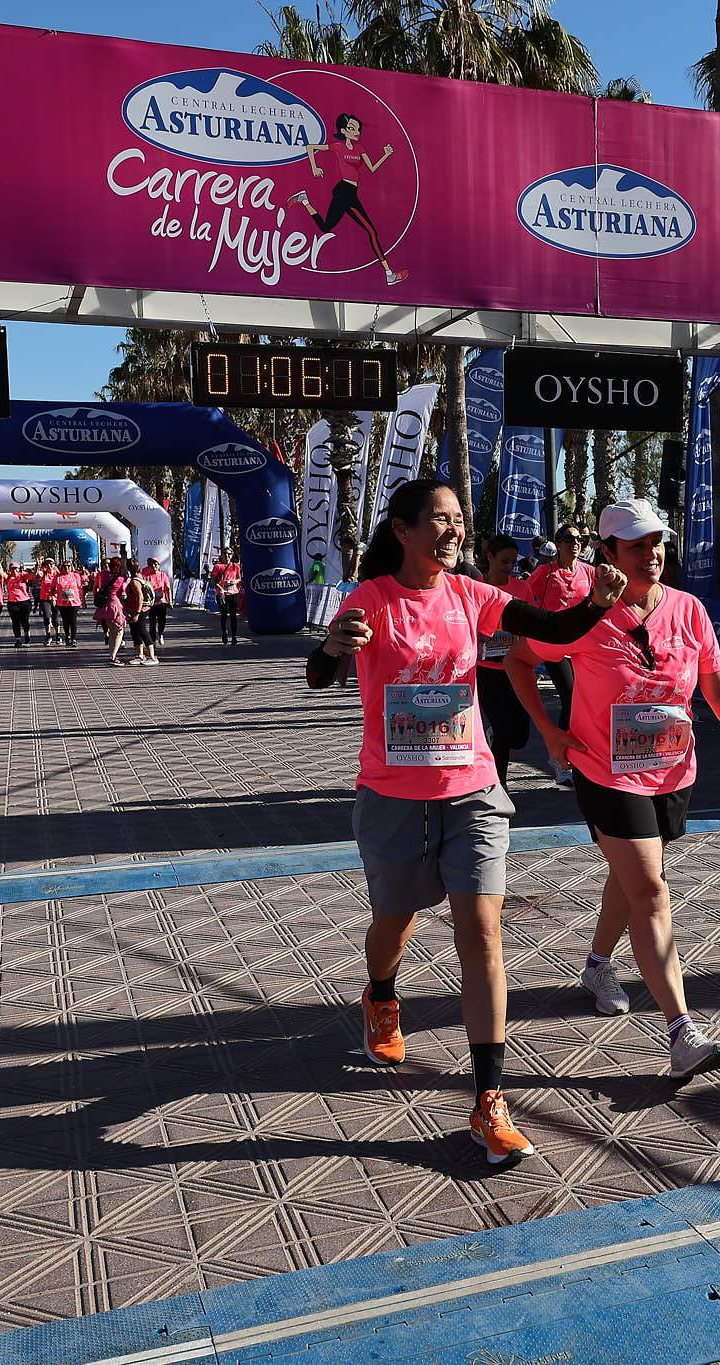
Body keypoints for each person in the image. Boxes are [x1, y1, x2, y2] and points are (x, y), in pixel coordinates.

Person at [306, 478, 624, 1163]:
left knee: (481, 931)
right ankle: (382, 995)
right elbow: (317, 671)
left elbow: (550, 628)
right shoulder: (372, 600)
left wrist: (596, 606)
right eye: (440, 520)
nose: (454, 531)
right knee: (393, 920)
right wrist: (334, 646)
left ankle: (488, 1100)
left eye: (459, 520)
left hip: (472, 786)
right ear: (403, 529)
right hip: (392, 794)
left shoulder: (471, 594)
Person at [507, 498, 720, 1077]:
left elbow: (717, 685)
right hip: (604, 771)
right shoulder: (586, 616)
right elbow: (517, 660)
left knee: (631, 878)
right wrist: (551, 734)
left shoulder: (687, 610)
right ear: (606, 554)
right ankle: (683, 1032)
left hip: (669, 769)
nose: (652, 554)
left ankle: (597, 963)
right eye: (636, 545)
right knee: (651, 890)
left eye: (657, 542)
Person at [288, 113, 407, 286]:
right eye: (352, 128)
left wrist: (386, 154)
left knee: (326, 227)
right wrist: (315, 167)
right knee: (371, 232)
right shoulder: (338, 146)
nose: (356, 131)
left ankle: (304, 199)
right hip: (344, 191)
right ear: (344, 131)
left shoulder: (360, 148)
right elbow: (310, 147)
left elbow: (372, 168)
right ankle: (389, 274)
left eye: (357, 128)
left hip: (351, 192)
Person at [525, 522, 591, 787]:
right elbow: (524, 596)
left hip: (584, 647)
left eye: (579, 539)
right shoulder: (545, 572)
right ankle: (561, 760)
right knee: (570, 695)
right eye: (568, 539)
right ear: (558, 544)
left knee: (581, 700)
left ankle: (578, 755)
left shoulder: (589, 572)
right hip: (554, 646)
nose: (574, 544)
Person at [474, 535, 535, 788]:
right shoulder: (474, 588)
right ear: (490, 558)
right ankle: (498, 785)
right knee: (502, 729)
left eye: (513, 562)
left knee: (519, 736)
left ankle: (495, 736)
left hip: (517, 667)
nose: (509, 567)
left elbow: (533, 623)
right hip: (487, 670)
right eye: (504, 561)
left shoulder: (522, 589)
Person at [97, 556, 131, 664]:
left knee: (112, 632)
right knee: (119, 631)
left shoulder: (104, 575)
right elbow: (122, 592)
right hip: (115, 604)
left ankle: (111, 654)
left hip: (104, 605)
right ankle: (113, 656)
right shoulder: (121, 578)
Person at [122, 561, 157, 666]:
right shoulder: (140, 577)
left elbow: (140, 597)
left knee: (142, 631)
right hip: (135, 609)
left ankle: (152, 656)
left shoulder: (135, 581)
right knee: (135, 632)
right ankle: (139, 655)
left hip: (139, 610)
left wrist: (137, 613)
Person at [212, 551, 244, 646]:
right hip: (222, 594)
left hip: (233, 593)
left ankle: (234, 636)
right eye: (225, 554)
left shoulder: (235, 566)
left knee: (233, 615)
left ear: (232, 555)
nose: (227, 555)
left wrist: (234, 582)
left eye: (229, 554)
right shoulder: (218, 567)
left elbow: (239, 578)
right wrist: (220, 588)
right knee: (224, 615)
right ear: (222, 556)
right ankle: (224, 632)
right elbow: (213, 580)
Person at [51, 559, 84, 647]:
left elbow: (80, 588)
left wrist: (83, 599)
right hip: (62, 603)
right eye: (65, 566)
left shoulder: (75, 576)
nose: (67, 568)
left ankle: (73, 638)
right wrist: (53, 597)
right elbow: (53, 589)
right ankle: (67, 637)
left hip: (74, 602)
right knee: (65, 621)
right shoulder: (58, 577)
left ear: (71, 567)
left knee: (73, 621)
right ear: (62, 567)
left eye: (68, 566)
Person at [141, 558, 172, 645]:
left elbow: (167, 588)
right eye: (152, 564)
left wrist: (170, 601)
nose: (154, 566)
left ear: (159, 566)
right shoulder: (147, 575)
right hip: (152, 602)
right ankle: (153, 640)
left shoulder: (163, 575)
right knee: (152, 622)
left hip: (162, 602)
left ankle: (160, 633)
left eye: (156, 564)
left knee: (162, 621)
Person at [5, 561, 34, 645]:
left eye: (16, 569)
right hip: (12, 602)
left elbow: (31, 576)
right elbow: (2, 574)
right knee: (15, 621)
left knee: (25, 620)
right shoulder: (8, 577)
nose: (14, 570)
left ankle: (27, 635)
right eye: (12, 569)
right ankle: (18, 639)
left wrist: (36, 567)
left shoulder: (23, 575)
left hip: (24, 602)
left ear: (19, 569)